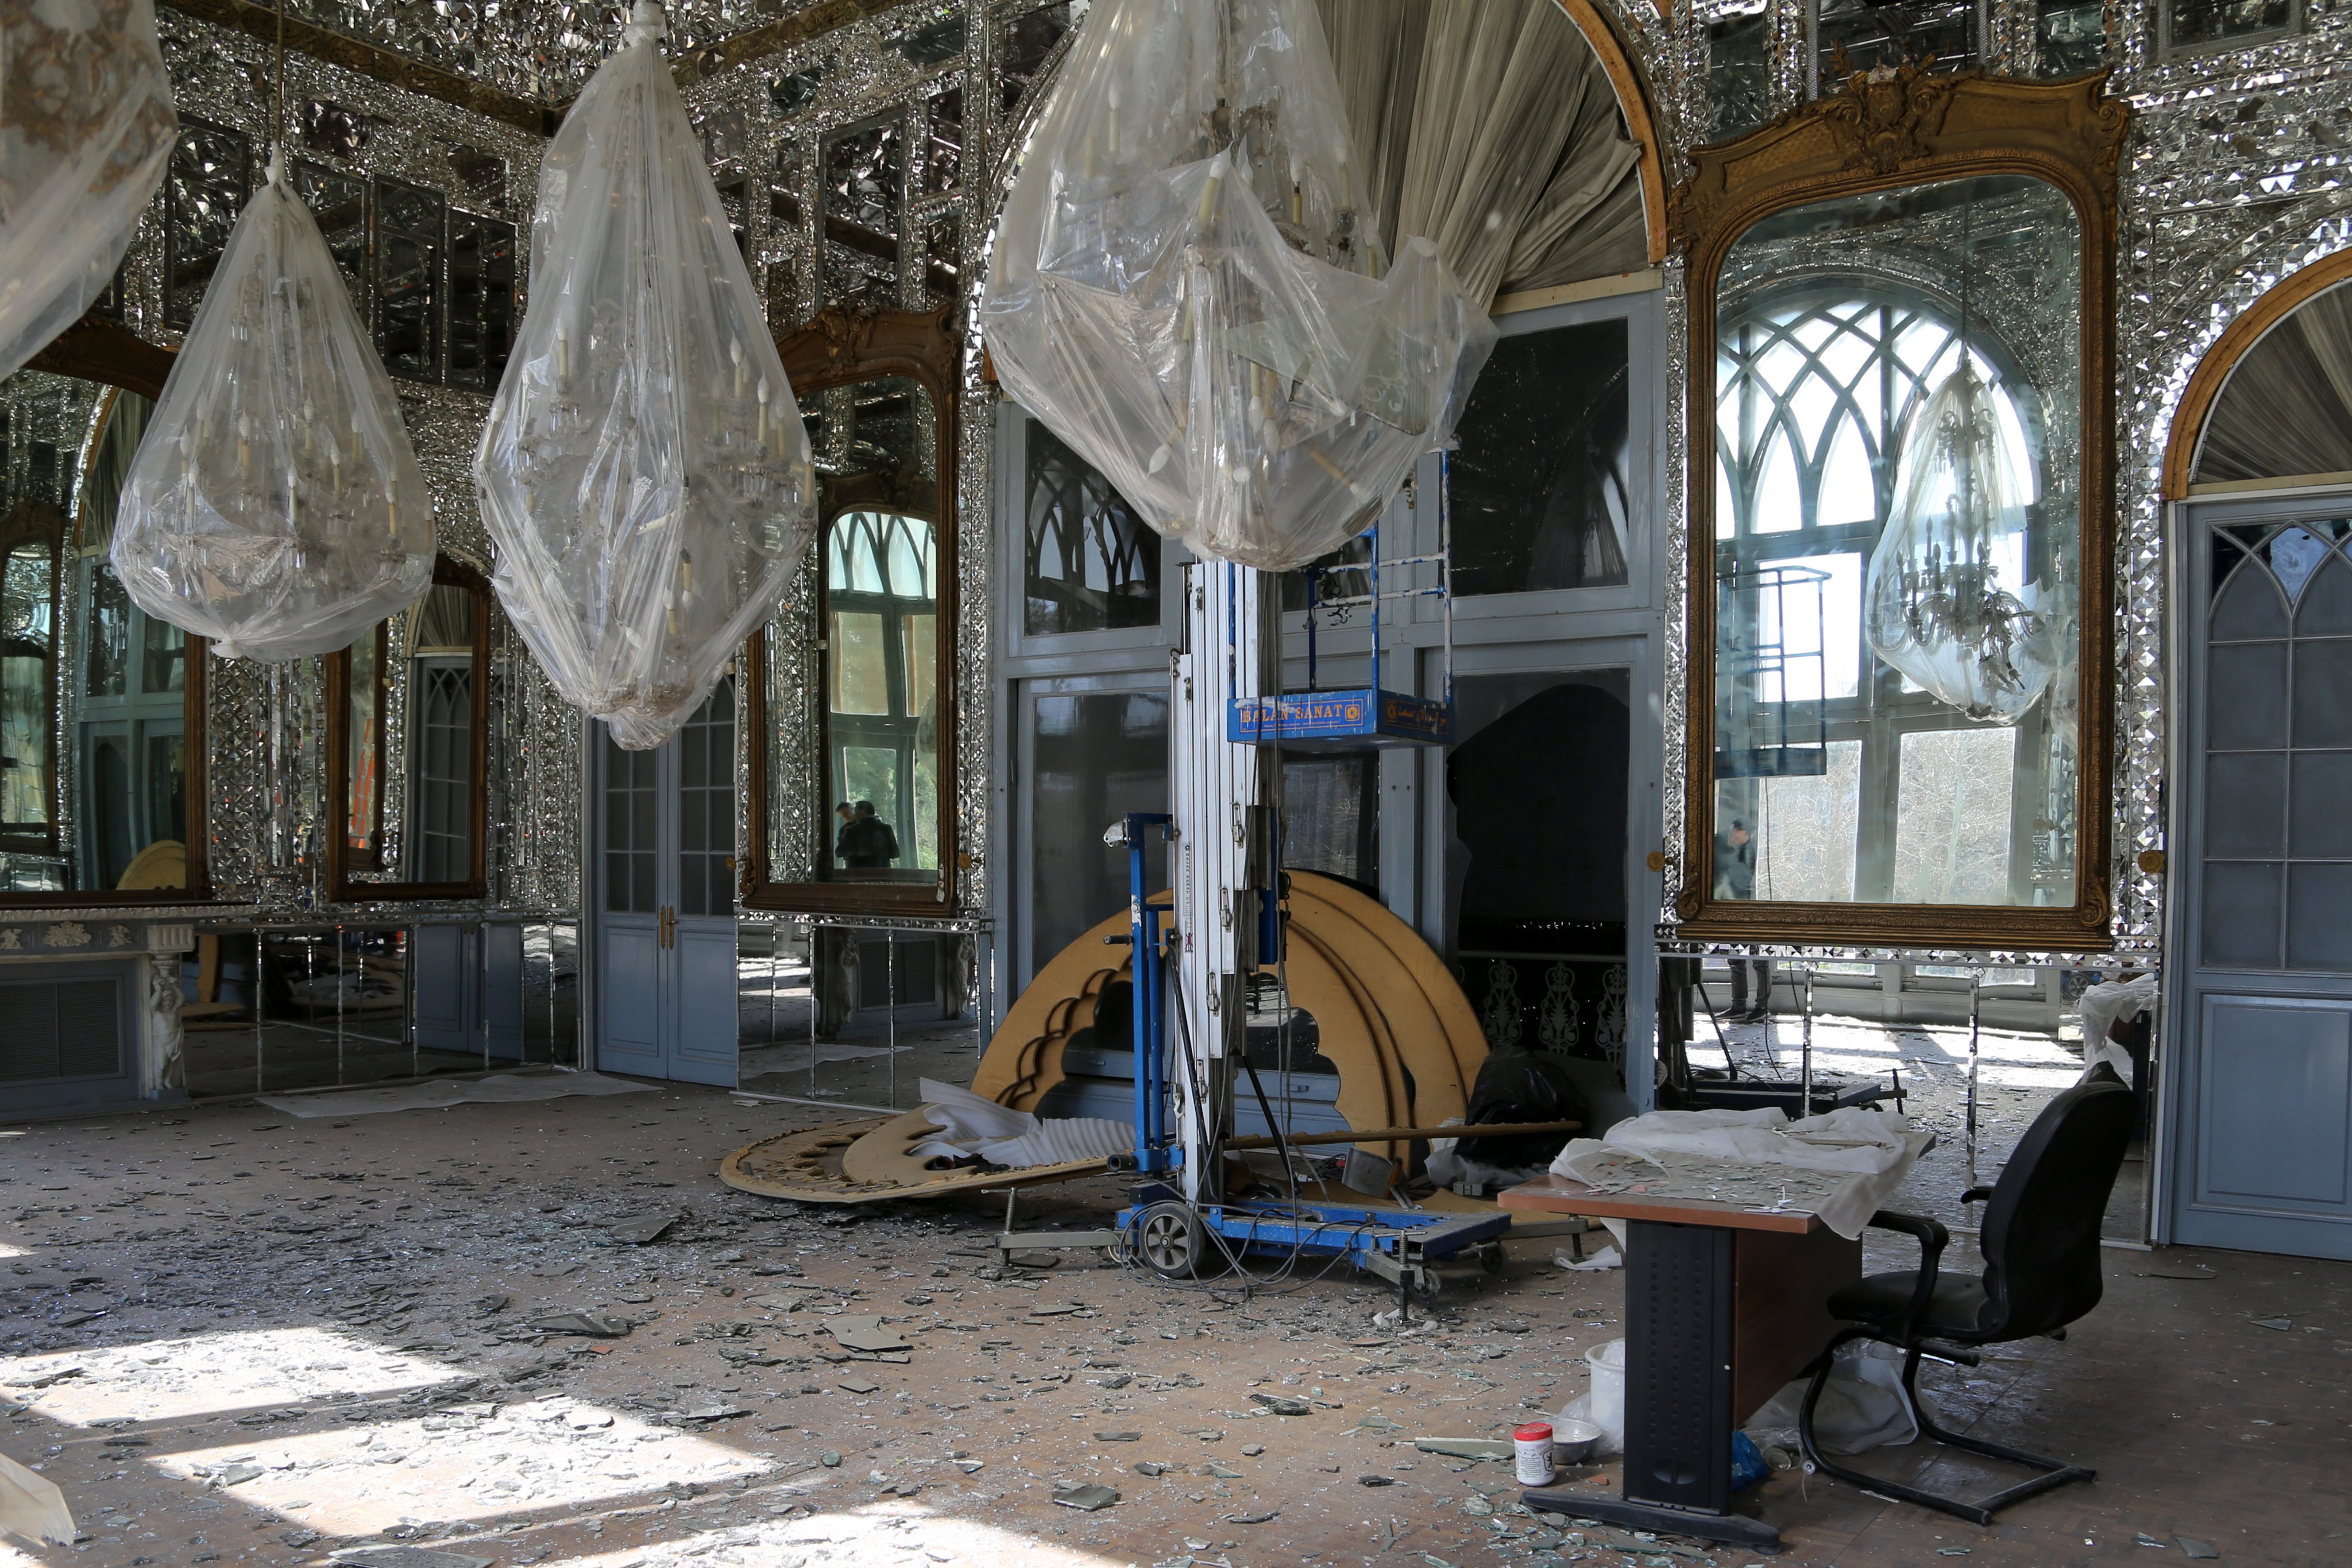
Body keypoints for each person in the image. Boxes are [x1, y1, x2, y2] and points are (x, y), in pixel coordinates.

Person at [1712, 820, 1770, 1022]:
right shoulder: (1727, 849)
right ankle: (1738, 1006)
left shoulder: (1747, 854)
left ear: (1747, 837)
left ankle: (1762, 1007)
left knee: (1759, 959)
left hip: (1750, 912)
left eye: (1737, 838)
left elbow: (1741, 881)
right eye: (1731, 835)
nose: (1732, 840)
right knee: (1735, 958)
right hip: (1732, 911)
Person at [839, 800, 901, 870]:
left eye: (856, 811)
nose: (855, 814)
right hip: (882, 872)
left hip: (857, 873)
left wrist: (844, 838)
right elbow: (895, 854)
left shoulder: (852, 831)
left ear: (862, 812)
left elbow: (840, 852)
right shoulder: (886, 828)